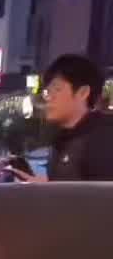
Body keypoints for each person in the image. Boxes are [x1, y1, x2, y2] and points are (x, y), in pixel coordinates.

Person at [17, 53, 113, 181]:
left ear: (83, 92)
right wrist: (46, 188)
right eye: (47, 92)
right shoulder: (61, 141)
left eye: (57, 89)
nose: (48, 98)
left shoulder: (103, 138)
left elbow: (102, 193)